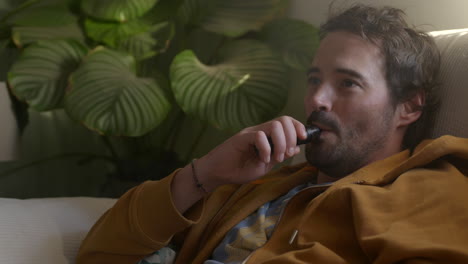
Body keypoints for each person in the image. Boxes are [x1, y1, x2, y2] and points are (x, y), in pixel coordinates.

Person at [77, 4, 468, 264]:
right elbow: (101, 252)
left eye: (348, 84)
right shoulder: (254, 188)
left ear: (410, 107)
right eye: (314, 80)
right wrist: (205, 172)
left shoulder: (430, 193)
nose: (317, 99)